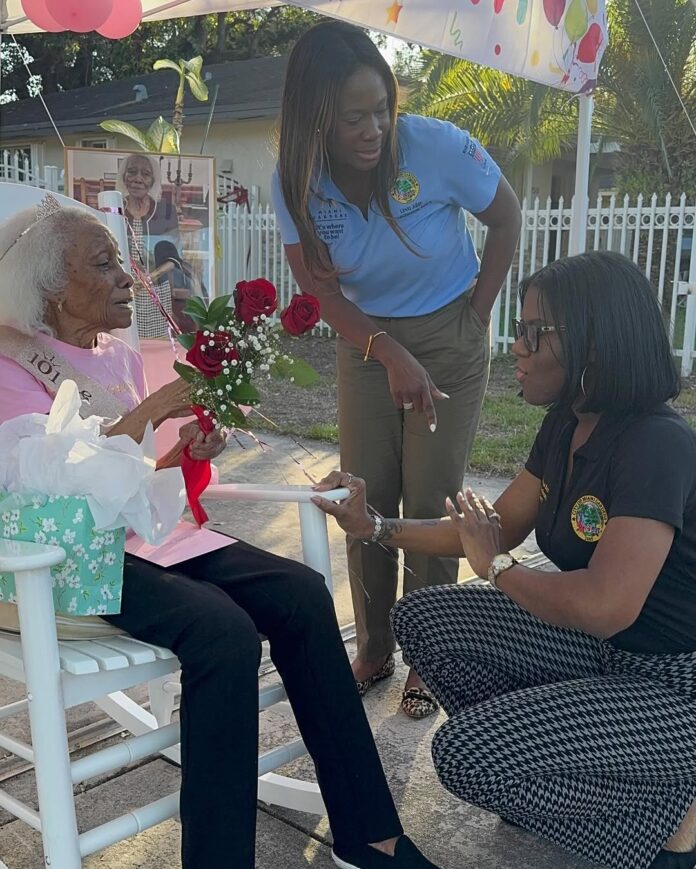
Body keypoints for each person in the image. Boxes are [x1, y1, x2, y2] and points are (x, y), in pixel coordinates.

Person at [0, 201, 442, 869]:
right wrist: (154, 411)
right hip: (59, 562)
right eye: (103, 262)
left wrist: (185, 448)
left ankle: (369, 832)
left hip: (140, 538)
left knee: (299, 591)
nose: (126, 276)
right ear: (54, 287)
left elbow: (131, 470)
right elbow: (44, 484)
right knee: (222, 631)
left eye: (121, 259)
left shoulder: (115, 354)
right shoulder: (9, 366)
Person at [312, 250, 696, 869]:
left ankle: (668, 830)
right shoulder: (569, 424)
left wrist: (499, 568)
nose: (513, 344)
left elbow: (603, 605)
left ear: (592, 344)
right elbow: (486, 529)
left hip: (675, 689)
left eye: (530, 330)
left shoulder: (657, 444)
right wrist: (375, 525)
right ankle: (565, 776)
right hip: (604, 658)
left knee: (468, 757)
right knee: (426, 621)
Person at [272, 20, 522, 718]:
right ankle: (377, 645)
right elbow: (322, 291)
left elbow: (507, 217)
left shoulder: (436, 146)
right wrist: (383, 348)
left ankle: (428, 657)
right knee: (365, 493)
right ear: (315, 118)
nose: (373, 127)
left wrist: (472, 319)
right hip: (366, 341)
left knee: (432, 496)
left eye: (381, 108)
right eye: (353, 116)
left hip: (449, 332)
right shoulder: (294, 179)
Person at [116, 153, 180, 339]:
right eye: (132, 172)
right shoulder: (114, 208)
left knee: (156, 348)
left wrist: (147, 280)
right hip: (121, 292)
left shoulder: (166, 211)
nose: (137, 179)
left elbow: (174, 258)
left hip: (156, 292)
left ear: (152, 181)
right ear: (123, 176)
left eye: (145, 174)